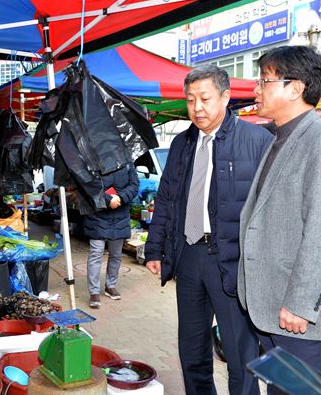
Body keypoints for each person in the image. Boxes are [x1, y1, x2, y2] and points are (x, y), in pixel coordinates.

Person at [237, 46, 321, 388]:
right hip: (273, 308)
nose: (256, 89)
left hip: (303, 319)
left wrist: (299, 304)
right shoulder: (278, 138)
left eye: (265, 80)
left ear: (295, 88)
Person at [145, 65, 273, 395]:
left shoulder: (257, 140)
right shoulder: (181, 144)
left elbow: (271, 209)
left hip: (231, 260)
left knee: (238, 354)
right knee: (192, 349)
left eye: (205, 99)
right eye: (190, 100)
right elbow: (166, 198)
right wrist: (154, 248)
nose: (197, 108)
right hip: (189, 256)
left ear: (225, 97)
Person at [84, 163, 138, 308]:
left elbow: (134, 185)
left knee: (116, 254)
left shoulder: (127, 162)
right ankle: (94, 291)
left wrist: (120, 198)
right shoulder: (93, 160)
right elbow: (89, 185)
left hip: (120, 214)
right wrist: (109, 199)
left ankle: (110, 286)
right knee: (96, 253)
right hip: (98, 214)